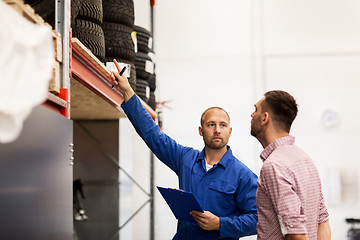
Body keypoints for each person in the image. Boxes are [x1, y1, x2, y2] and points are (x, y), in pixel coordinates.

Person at [111, 60, 258, 240]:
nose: (217, 130)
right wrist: (127, 91)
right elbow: (153, 135)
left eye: (223, 125)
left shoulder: (243, 175)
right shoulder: (186, 159)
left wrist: (220, 224)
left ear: (230, 131)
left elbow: (257, 219)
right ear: (201, 130)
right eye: (211, 124)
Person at [250, 90, 331, 240]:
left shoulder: (273, 166)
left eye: (255, 110)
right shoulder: (304, 158)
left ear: (264, 118)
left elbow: (297, 235)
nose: (251, 115)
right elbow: (323, 222)